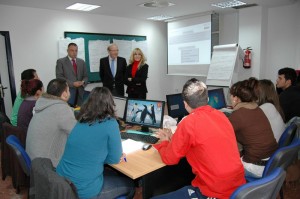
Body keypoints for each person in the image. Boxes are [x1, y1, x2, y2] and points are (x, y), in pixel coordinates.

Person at [152, 78, 245, 199]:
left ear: (185, 104)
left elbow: (170, 159)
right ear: (207, 99)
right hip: (238, 187)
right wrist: (174, 139)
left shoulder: (188, 123)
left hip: (214, 192)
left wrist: (164, 142)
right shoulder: (221, 115)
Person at [56, 87, 135, 199]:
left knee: (111, 174)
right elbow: (114, 159)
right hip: (84, 191)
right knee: (130, 185)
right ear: (109, 104)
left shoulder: (81, 120)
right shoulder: (110, 123)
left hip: (64, 182)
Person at [228, 78, 278, 178]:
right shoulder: (257, 109)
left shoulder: (239, 115)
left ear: (235, 98)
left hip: (256, 167)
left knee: (221, 164)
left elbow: (220, 133)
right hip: (271, 163)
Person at [26, 78, 77, 167]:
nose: (70, 93)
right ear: (64, 94)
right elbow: (77, 133)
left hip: (35, 160)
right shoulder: (61, 109)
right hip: (47, 167)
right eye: (68, 90)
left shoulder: (43, 103)